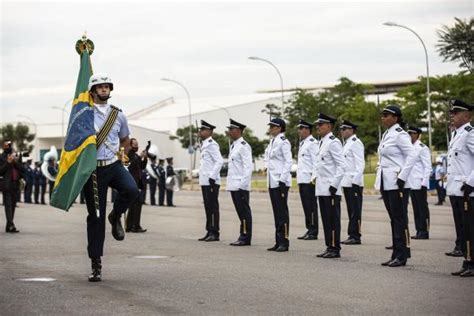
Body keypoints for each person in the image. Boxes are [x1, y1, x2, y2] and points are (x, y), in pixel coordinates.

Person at [83, 73, 139, 282]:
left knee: (132, 190)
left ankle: (116, 216)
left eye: (107, 86)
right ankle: (96, 263)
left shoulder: (119, 115)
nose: (104, 89)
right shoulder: (85, 114)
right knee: (95, 217)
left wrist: (123, 154)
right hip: (93, 170)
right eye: (100, 87)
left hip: (113, 165)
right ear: (93, 91)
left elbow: (124, 139)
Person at [375, 105, 417, 267]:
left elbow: (411, 155)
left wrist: (402, 177)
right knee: (394, 219)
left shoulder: (400, 134)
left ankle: (402, 254)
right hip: (387, 183)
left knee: (399, 219)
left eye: (386, 115)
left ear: (396, 117)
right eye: (382, 115)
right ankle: (396, 253)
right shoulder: (387, 133)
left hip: (397, 183)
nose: (383, 117)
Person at [446, 99, 474, 277]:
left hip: (467, 190)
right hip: (456, 190)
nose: (452, 116)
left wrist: (470, 183)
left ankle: (471, 263)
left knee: (470, 228)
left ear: (466, 115)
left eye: (456, 113)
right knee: (462, 228)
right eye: (452, 113)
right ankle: (467, 260)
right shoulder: (457, 134)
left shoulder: (470, 133)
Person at [314, 113, 345, 258]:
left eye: (320, 124)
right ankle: (329, 246)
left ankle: (335, 247)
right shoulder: (322, 142)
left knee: (333, 219)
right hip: (321, 188)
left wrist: (334, 185)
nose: (318, 127)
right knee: (326, 219)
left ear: (329, 126)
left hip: (331, 188)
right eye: (317, 125)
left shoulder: (334, 142)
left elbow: (341, 165)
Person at [265, 118, 292, 252]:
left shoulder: (283, 142)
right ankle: (278, 240)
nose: (270, 128)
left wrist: (282, 179)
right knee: (276, 213)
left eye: (273, 126)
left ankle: (284, 241)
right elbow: (268, 159)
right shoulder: (272, 142)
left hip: (280, 182)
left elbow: (288, 161)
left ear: (280, 128)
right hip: (272, 182)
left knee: (282, 213)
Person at [226, 119, 253, 246]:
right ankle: (243, 234)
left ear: (238, 131)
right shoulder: (234, 145)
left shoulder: (243, 146)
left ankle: (245, 237)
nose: (229, 132)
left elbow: (248, 167)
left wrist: (243, 184)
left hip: (240, 185)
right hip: (234, 185)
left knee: (244, 212)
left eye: (231, 129)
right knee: (240, 212)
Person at [339, 120, 365, 245]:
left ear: (351, 130)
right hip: (346, 182)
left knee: (356, 210)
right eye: (341, 129)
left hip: (354, 182)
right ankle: (352, 234)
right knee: (351, 210)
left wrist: (356, 181)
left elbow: (360, 164)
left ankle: (356, 235)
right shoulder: (346, 144)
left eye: (344, 129)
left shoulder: (356, 143)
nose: (342, 131)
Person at [197, 120, 223, 242]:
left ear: (209, 132)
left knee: (213, 207)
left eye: (202, 130)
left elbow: (219, 161)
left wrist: (212, 176)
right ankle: (209, 230)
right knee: (208, 207)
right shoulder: (204, 144)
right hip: (205, 181)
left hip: (211, 181)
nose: (200, 132)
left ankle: (214, 232)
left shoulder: (212, 144)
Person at [406, 126, 432, 240]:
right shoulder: (409, 147)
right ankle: (418, 230)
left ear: (417, 134)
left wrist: (424, 183)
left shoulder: (422, 148)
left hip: (420, 182)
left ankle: (425, 231)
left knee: (422, 208)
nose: (410, 135)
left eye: (412, 133)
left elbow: (428, 167)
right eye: (409, 133)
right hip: (411, 183)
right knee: (416, 208)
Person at [296, 119, 319, 241]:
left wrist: (313, 178)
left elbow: (316, 162)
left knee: (311, 206)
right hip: (302, 179)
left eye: (301, 128)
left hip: (309, 180)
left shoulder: (312, 143)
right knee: (306, 206)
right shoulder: (303, 143)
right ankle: (309, 228)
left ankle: (313, 230)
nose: (299, 131)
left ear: (307, 129)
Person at [0, 141, 24, 233]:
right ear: (4, 146)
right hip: (6, 185)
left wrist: (14, 161)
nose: (7, 147)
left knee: (13, 206)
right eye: (6, 145)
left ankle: (9, 225)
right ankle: (11, 225)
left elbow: (23, 169)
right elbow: (0, 171)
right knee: (8, 205)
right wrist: (8, 162)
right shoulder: (1, 157)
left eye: (9, 145)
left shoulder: (16, 156)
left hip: (15, 184)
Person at [126, 138, 148, 233]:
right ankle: (136, 226)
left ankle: (130, 226)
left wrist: (145, 158)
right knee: (136, 203)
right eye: (134, 144)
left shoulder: (136, 156)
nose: (136, 146)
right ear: (130, 145)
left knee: (134, 204)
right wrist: (139, 156)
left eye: (137, 144)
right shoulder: (129, 155)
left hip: (137, 183)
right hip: (132, 182)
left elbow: (142, 166)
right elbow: (130, 166)